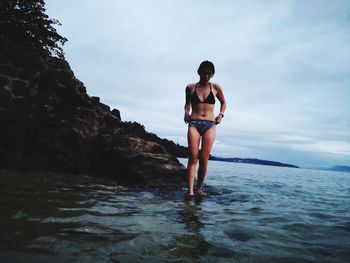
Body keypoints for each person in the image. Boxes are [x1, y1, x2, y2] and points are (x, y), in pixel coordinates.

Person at [184, 61, 227, 196]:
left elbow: (224, 102)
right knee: (193, 157)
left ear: (212, 74)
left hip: (210, 125)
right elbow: (187, 104)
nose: (207, 76)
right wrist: (186, 112)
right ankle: (190, 192)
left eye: (210, 74)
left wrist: (220, 115)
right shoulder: (190, 87)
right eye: (204, 73)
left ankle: (199, 189)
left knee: (204, 158)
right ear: (199, 72)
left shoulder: (215, 88)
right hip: (194, 124)